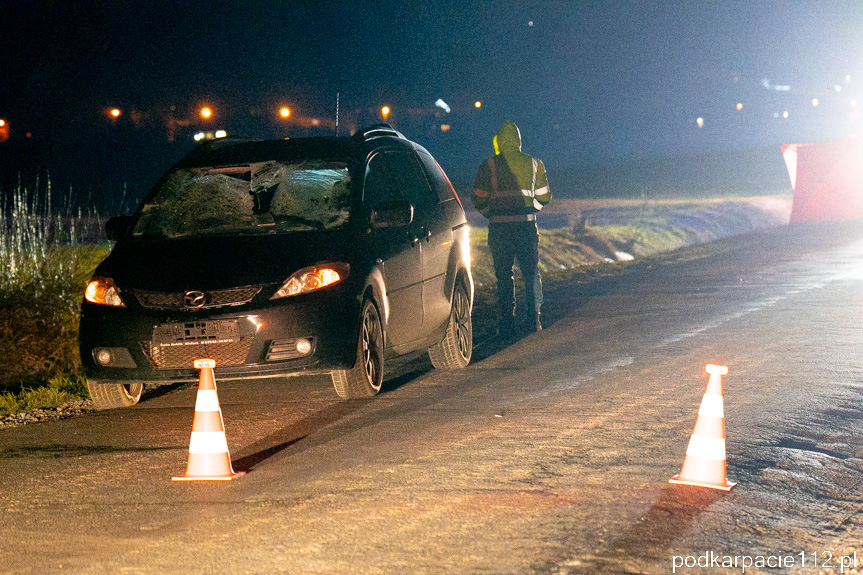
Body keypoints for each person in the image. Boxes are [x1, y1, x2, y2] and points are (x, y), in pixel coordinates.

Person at [472, 121, 551, 340]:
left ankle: (507, 323)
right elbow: (544, 196)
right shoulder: (535, 164)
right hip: (526, 228)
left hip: (500, 230)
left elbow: (478, 198)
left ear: (499, 141)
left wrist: (492, 213)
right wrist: (530, 209)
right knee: (531, 273)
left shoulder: (489, 165)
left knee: (504, 276)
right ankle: (533, 321)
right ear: (518, 140)